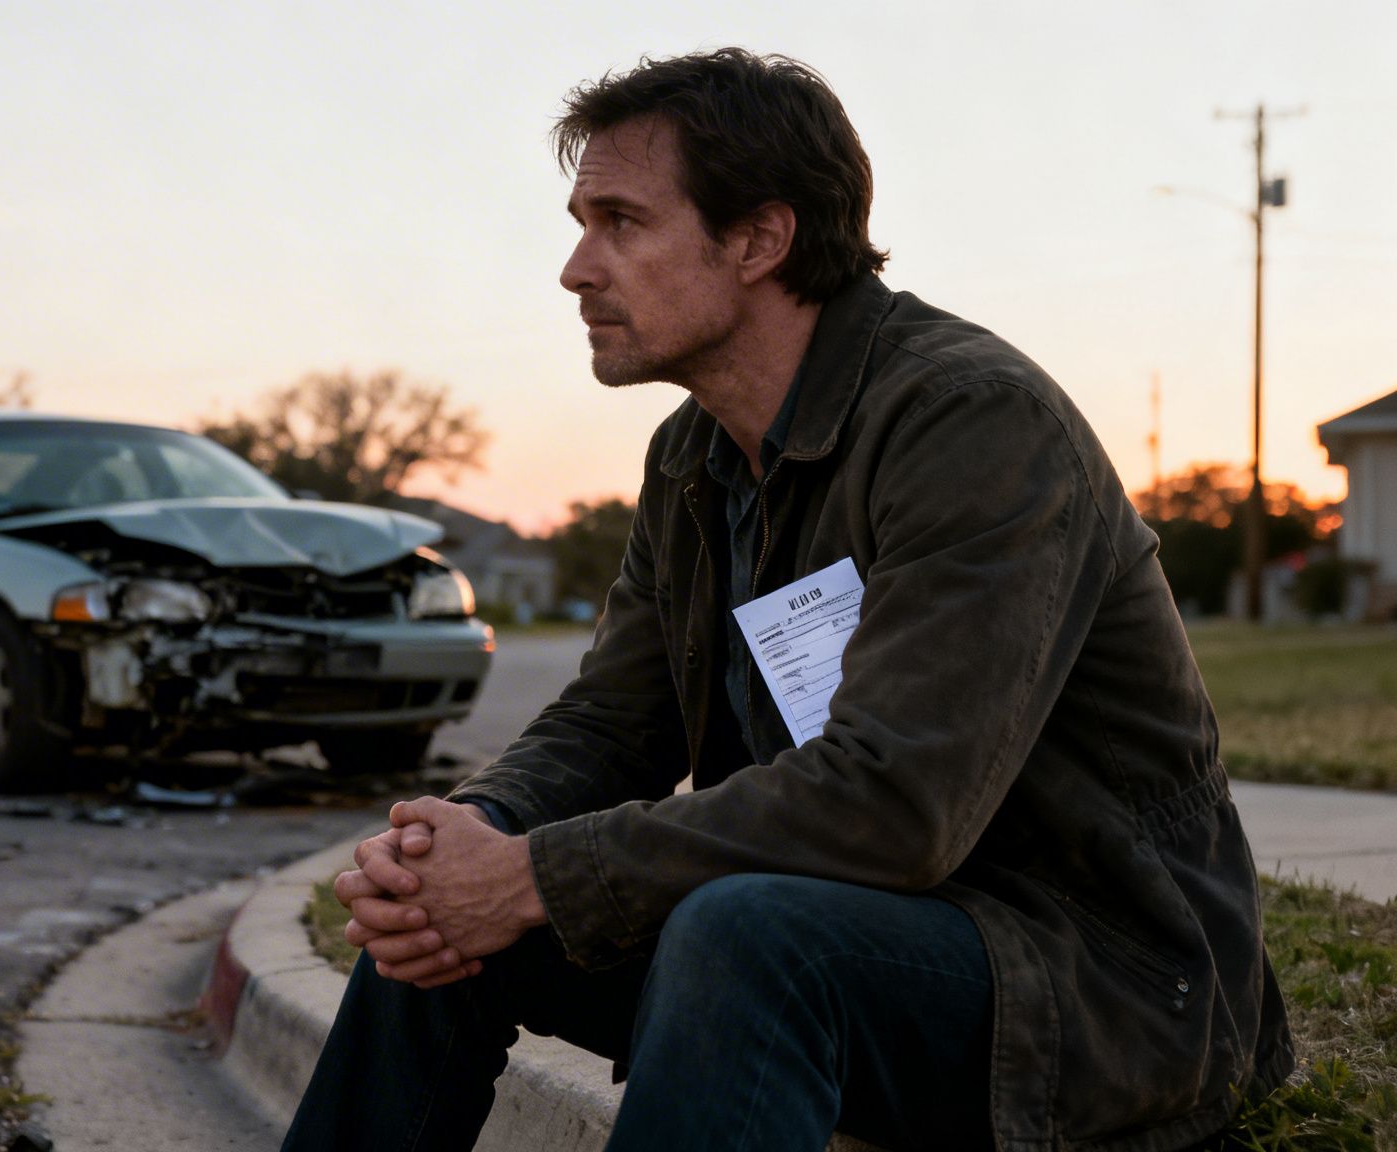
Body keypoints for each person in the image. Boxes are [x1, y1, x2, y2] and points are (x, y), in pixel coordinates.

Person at [281, 48, 1292, 1152]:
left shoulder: (970, 423)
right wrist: (468, 837)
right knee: (442, 922)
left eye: (620, 221)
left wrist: (532, 875)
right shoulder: (692, 457)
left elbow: (894, 803)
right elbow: (611, 723)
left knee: (742, 933)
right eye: (578, 222)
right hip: (866, 935)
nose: (575, 268)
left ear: (759, 239)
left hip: (1096, 980)